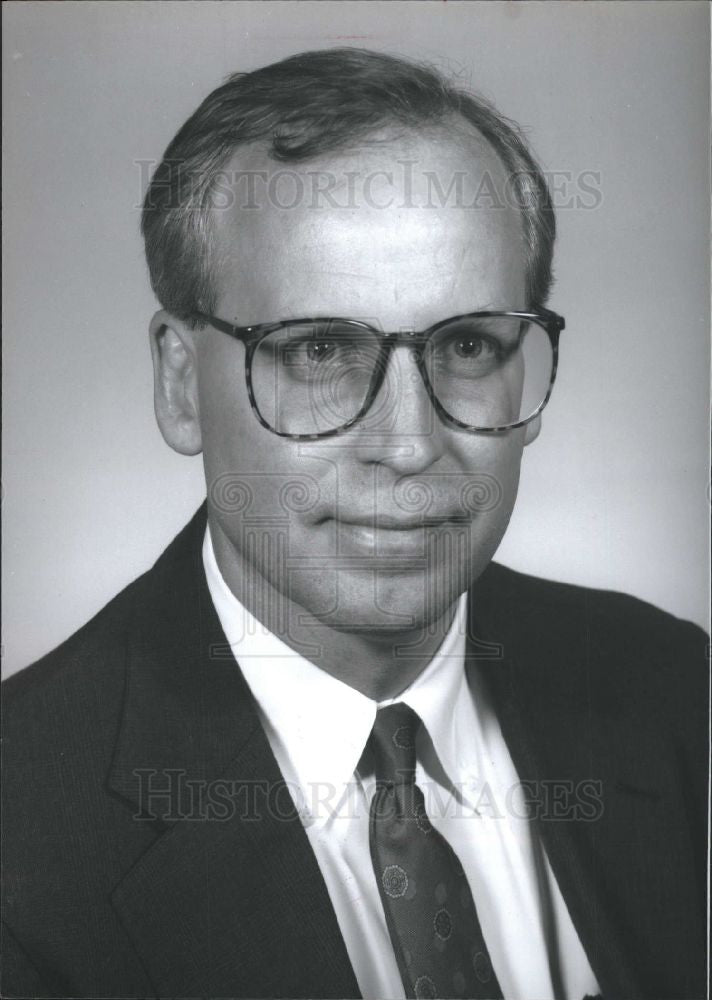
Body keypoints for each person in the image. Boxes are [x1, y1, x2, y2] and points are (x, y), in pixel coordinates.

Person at [1, 48, 707, 1000]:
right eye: (321, 350)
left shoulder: (674, 689)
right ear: (180, 385)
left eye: (468, 345)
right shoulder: (24, 824)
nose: (409, 445)